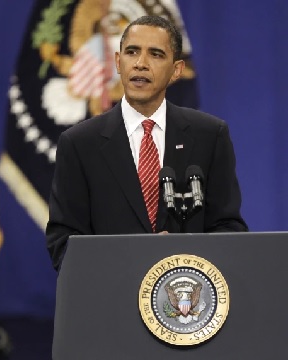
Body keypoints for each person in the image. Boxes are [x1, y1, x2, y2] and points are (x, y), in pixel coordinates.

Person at [45, 15, 248, 271]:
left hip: (185, 299)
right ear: (118, 62)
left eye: (156, 54)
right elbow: (63, 244)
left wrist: (180, 257)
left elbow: (229, 230)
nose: (141, 64)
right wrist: (136, 256)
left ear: (176, 71)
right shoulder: (79, 144)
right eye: (132, 52)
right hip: (110, 299)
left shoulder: (209, 136)